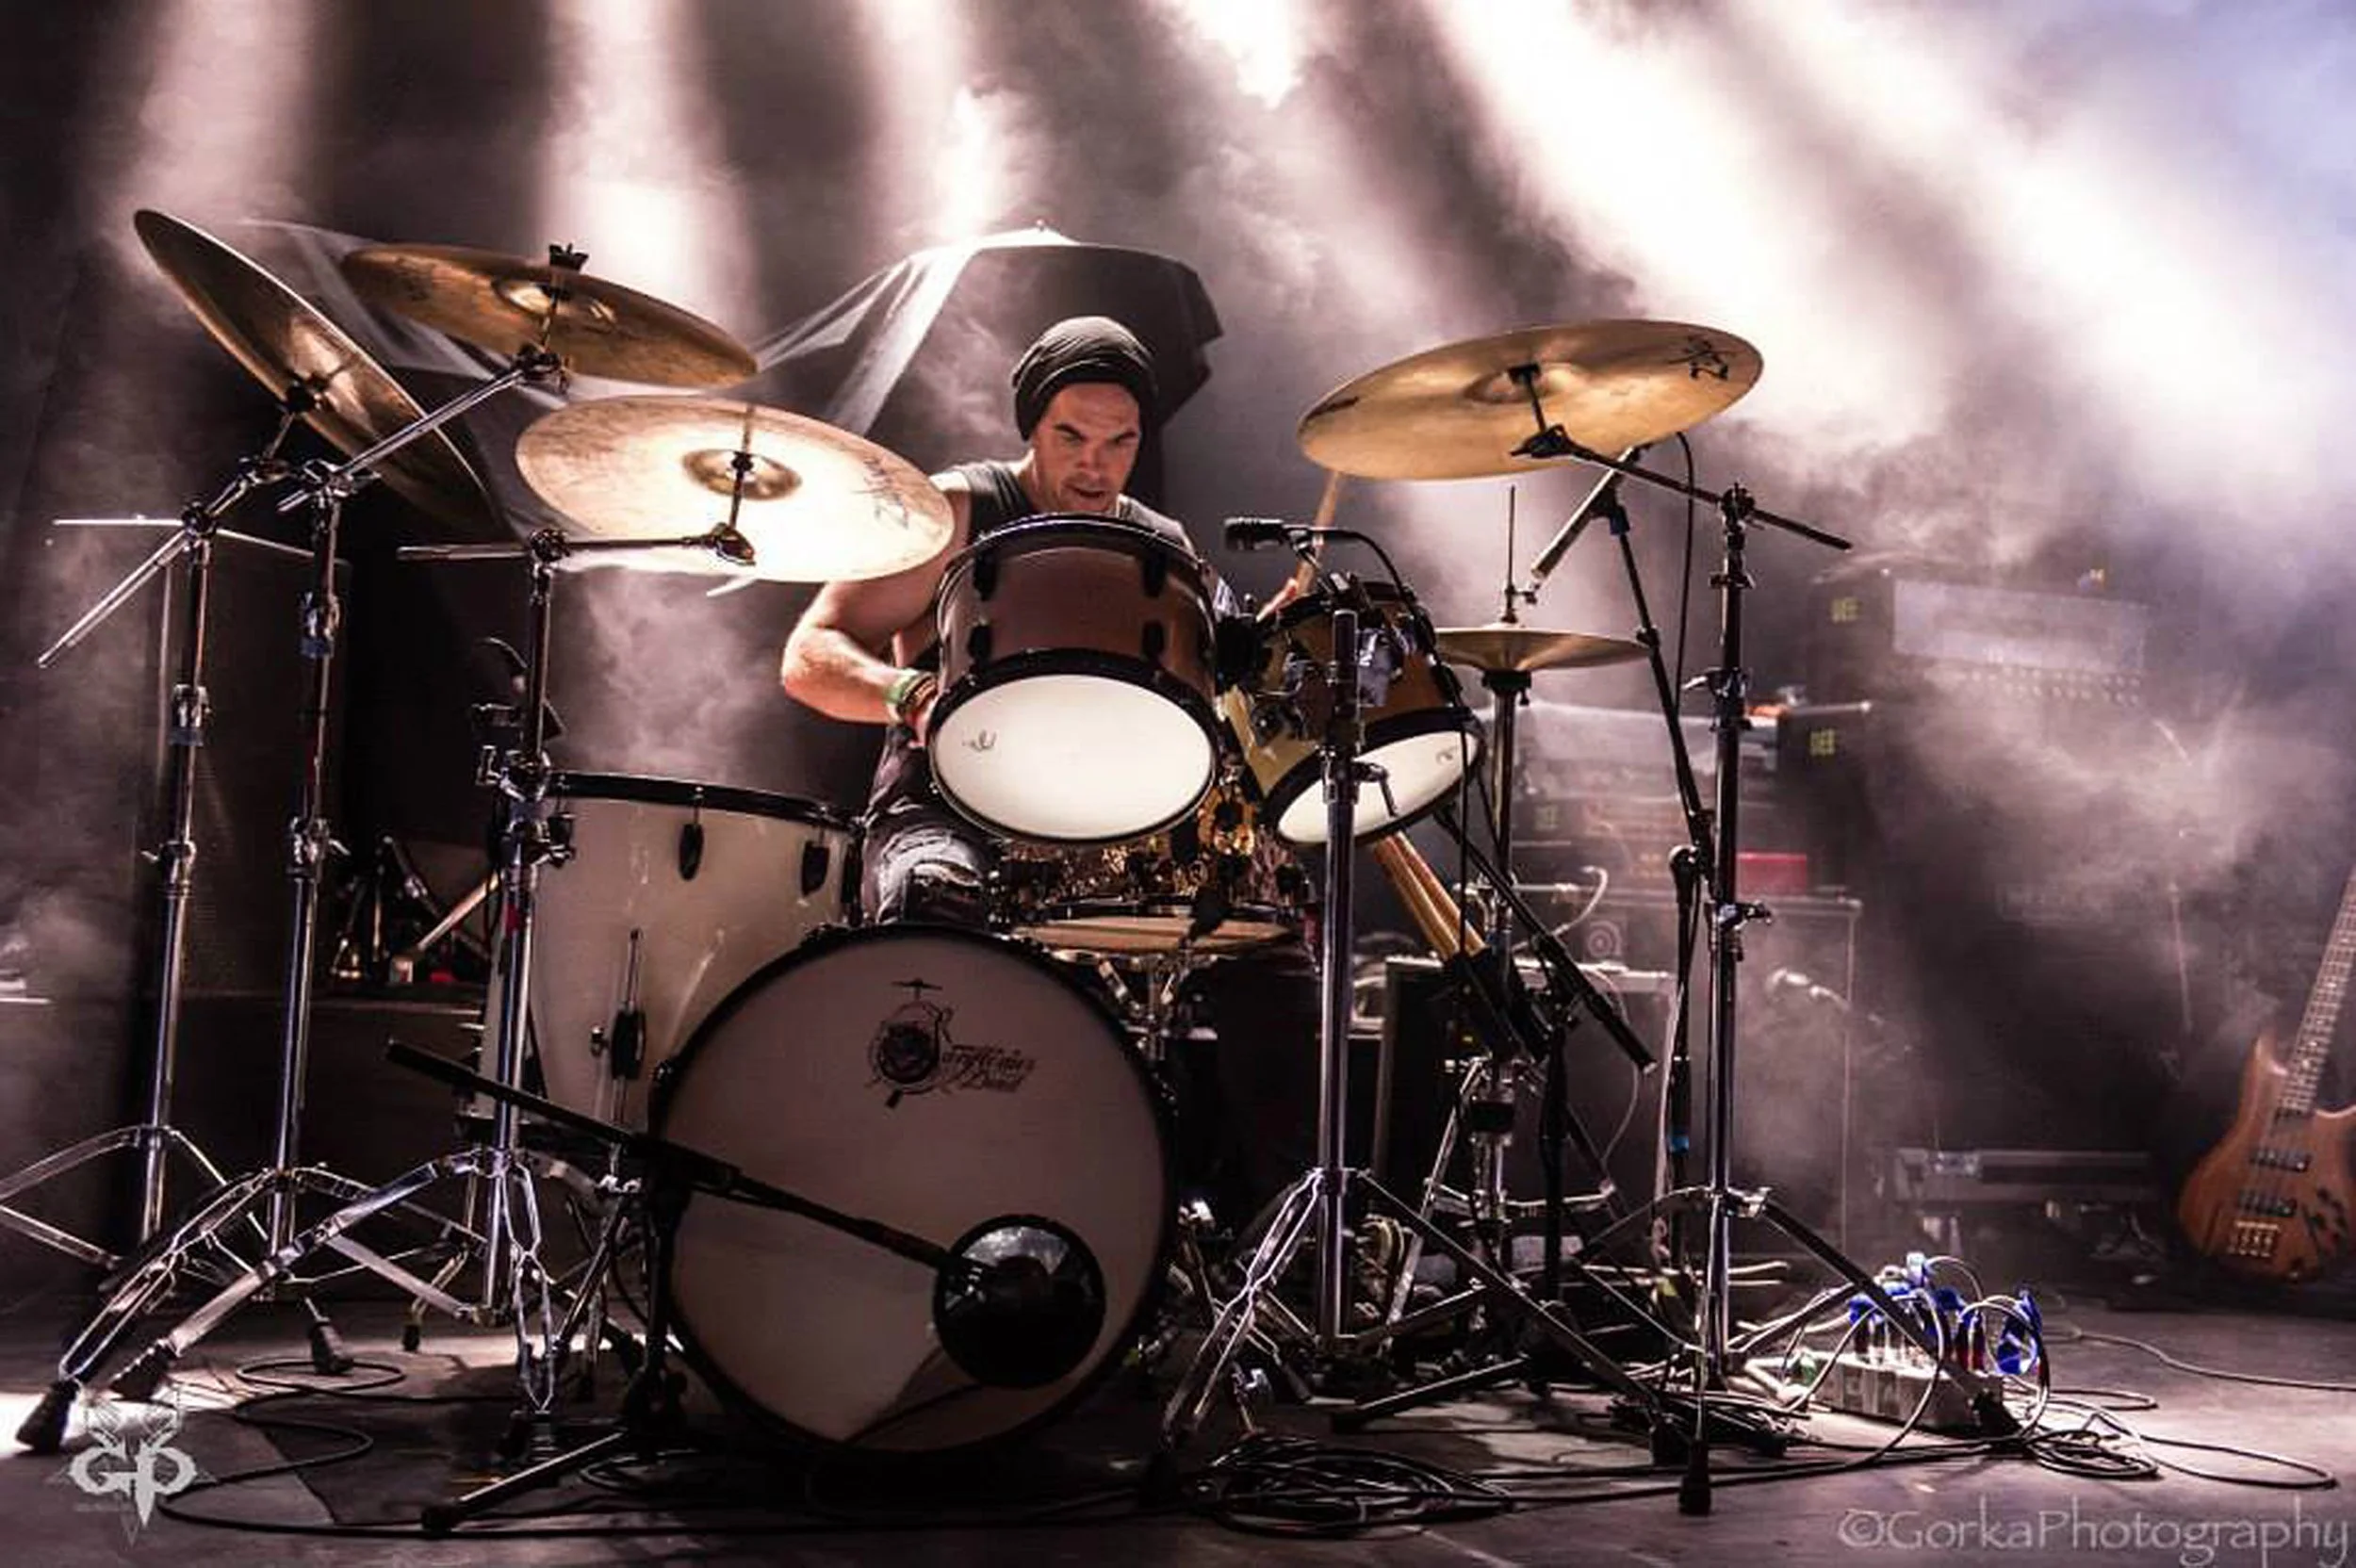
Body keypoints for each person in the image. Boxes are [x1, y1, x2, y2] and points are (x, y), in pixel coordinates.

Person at [778, 315, 1318, 1223]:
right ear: (1030, 425)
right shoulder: (957, 510)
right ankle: (915, 1205)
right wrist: (913, 694)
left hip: (1105, 831)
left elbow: (1207, 706)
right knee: (935, 899)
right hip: (947, 810)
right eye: (1071, 436)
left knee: (1268, 937)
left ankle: (1294, 1239)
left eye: (1120, 442)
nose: (1095, 466)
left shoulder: (1161, 543)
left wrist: (1251, 654)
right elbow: (809, 654)